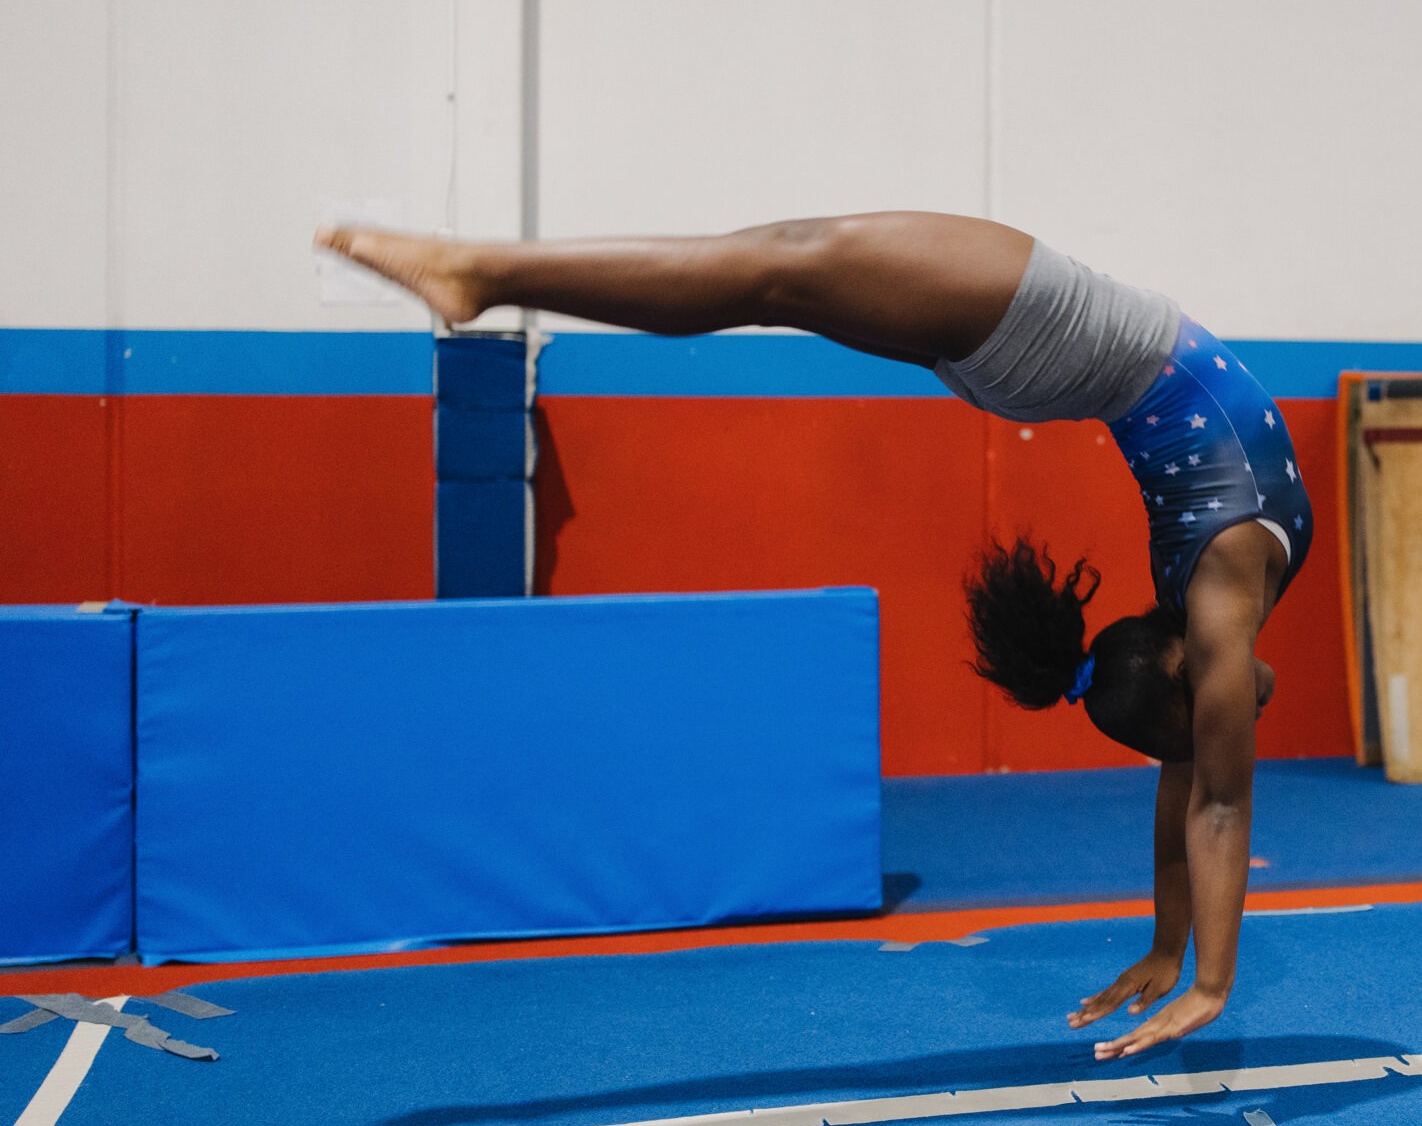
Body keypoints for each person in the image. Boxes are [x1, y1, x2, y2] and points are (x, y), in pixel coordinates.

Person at [317, 212, 1311, 1060]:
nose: (1240, 721)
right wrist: (1168, 949)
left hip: (1066, 346)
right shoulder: (1213, 607)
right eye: (1220, 719)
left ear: (1177, 662)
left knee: (780, 267)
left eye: (1210, 718)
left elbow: (1213, 800)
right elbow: (1197, 781)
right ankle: (482, 273)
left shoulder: (1220, 601)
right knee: (775, 279)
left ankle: (481, 272)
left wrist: (1204, 979)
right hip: (1054, 364)